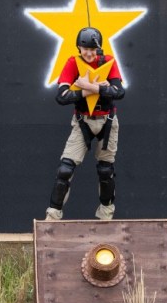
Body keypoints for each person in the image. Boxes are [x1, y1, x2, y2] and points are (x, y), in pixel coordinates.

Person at [45, 27, 125, 221]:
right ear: (78, 48)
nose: (88, 53)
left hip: (107, 122)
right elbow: (62, 97)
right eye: (84, 48)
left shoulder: (108, 62)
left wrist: (88, 86)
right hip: (82, 122)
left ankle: (106, 215)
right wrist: (91, 91)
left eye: (92, 49)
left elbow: (119, 92)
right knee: (65, 169)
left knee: (106, 170)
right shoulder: (73, 63)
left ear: (98, 49)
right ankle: (53, 217)